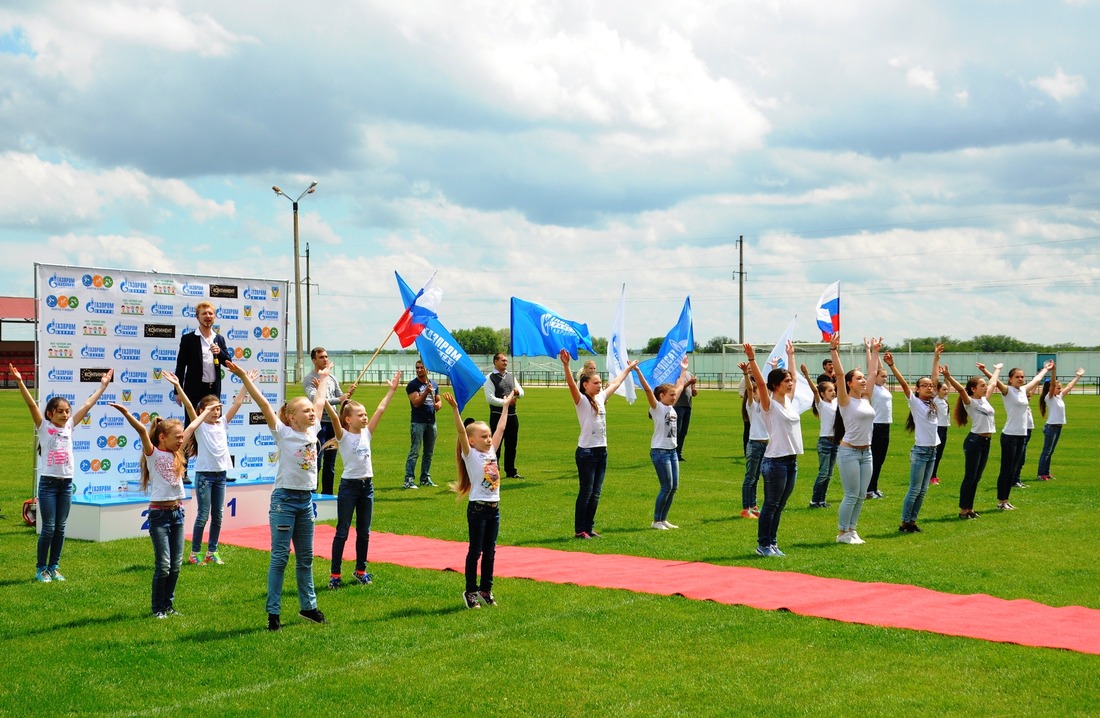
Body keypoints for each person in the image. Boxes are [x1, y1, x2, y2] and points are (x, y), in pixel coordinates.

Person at [226, 359, 330, 631]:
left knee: (306, 558)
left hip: (305, 502)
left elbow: (319, 401)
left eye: (311, 411)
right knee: (280, 557)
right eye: (304, 411)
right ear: (291, 416)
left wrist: (325, 377)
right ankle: (273, 614)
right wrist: (243, 378)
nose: (311, 414)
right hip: (284, 501)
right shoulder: (283, 432)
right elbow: (262, 403)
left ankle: (309, 607)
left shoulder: (314, 429)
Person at [12, 364, 113, 582]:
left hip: (66, 484)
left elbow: (88, 404)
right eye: (60, 411)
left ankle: (54, 566)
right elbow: (31, 405)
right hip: (48, 484)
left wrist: (103, 386)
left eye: (67, 411)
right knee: (48, 527)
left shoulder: (69, 426)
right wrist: (20, 382)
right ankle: (41, 569)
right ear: (50, 414)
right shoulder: (44, 427)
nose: (65, 415)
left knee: (61, 528)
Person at [111, 401, 211, 617]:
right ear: (162, 437)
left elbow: (192, 426)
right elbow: (140, 429)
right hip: (159, 516)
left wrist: (208, 412)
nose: (181, 441)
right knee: (163, 565)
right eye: (177, 438)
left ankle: (168, 605)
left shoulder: (178, 453)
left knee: (176, 565)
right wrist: (126, 412)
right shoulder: (153, 453)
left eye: (182, 439)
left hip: (178, 514)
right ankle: (158, 609)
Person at [163, 368, 253, 566]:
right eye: (212, 409)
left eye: (218, 409)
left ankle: (212, 551)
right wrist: (178, 385)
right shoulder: (200, 425)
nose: (216, 412)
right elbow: (188, 405)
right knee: (203, 515)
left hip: (221, 475)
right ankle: (195, 552)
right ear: (202, 411)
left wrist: (246, 382)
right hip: (205, 476)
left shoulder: (222, 423)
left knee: (218, 515)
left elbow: (238, 403)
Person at [324, 371, 402, 590]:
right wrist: (323, 390)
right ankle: (335, 574)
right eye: (360, 415)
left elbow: (381, 409)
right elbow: (332, 414)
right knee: (342, 531)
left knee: (364, 531)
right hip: (349, 487)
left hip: (367, 487)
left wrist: (392, 390)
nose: (365, 417)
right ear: (348, 419)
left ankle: (360, 570)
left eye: (365, 414)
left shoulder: (367, 433)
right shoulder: (343, 435)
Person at [444, 390, 515, 608]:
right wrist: (456, 410)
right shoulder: (471, 454)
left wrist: (506, 406)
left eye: (488, 435)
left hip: (494, 509)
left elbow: (501, 427)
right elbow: (460, 431)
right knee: (475, 551)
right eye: (483, 436)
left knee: (490, 552)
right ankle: (471, 591)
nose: (488, 439)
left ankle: (486, 589)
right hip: (478, 510)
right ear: (471, 441)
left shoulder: (491, 451)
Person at [560, 348, 638, 539]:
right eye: (595, 383)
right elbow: (571, 384)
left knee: (596, 493)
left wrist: (628, 370)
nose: (599, 385)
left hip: (601, 451)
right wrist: (566, 365)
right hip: (586, 452)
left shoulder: (601, 397)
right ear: (585, 385)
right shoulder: (581, 401)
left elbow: (617, 382)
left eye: (600, 382)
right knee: (586, 492)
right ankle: (580, 530)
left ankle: (589, 528)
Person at [743, 340, 808, 557]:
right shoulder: (769, 404)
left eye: (790, 380)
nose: (790, 383)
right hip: (775, 462)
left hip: (791, 461)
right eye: (786, 381)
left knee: (779, 506)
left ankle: (773, 544)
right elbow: (761, 385)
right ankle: (763, 545)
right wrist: (752, 360)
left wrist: (791, 355)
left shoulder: (789, 401)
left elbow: (796, 377)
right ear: (775, 385)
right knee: (771, 505)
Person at [884, 344, 943, 533]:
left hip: (933, 450)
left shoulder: (933, 402)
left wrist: (936, 358)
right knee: (915, 489)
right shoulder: (916, 403)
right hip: (921, 452)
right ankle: (904, 522)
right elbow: (902, 384)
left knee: (923, 490)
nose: (928, 387)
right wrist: (892, 366)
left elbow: (935, 378)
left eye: (930, 386)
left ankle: (912, 522)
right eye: (924, 386)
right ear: (917, 389)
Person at [830, 335, 880, 544]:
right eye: (857, 378)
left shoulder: (866, 398)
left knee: (861, 495)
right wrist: (833, 350)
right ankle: (842, 533)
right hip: (849, 452)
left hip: (866, 452)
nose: (862, 381)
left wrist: (875, 351)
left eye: (862, 378)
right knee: (851, 494)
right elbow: (840, 375)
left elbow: (873, 372)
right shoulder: (845, 400)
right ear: (850, 383)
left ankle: (852, 530)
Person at [634, 357, 690, 530]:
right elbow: (647, 390)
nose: (675, 397)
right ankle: (656, 521)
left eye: (675, 395)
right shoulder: (657, 407)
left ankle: (663, 519)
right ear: (662, 396)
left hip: (672, 451)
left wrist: (683, 369)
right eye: (671, 395)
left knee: (674, 487)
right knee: (666, 486)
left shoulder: (671, 407)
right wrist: (638, 372)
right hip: (660, 451)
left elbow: (680, 384)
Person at [942, 362, 1002, 519]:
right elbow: (961, 389)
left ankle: (970, 509)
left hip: (986, 443)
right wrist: (947, 376)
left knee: (977, 477)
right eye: (981, 385)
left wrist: (996, 370)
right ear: (973, 389)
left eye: (984, 385)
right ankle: (963, 510)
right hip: (975, 441)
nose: (985, 387)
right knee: (970, 476)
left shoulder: (984, 400)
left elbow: (993, 382)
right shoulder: (970, 402)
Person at [992, 360, 1053, 510]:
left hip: (1021, 435)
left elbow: (1037, 380)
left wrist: (1046, 369)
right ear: (1010, 379)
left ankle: (1006, 501)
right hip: (1009, 435)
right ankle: (1001, 501)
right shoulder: (1008, 391)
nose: (1020, 379)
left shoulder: (1023, 390)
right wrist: (994, 370)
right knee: (1006, 470)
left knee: (1013, 469)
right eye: (1017, 377)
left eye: (1022, 376)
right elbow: (996, 382)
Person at [304, 347, 354, 496]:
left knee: (330, 464)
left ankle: (327, 494)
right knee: (316, 461)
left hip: (333, 424)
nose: (325, 359)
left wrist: (347, 396)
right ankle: (311, 492)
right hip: (319, 425)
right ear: (314, 360)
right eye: (321, 357)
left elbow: (340, 396)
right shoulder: (310, 379)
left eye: (326, 356)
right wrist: (340, 399)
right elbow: (316, 399)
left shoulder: (332, 378)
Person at [174, 301, 229, 411]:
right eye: (204, 314)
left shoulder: (219, 339)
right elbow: (180, 367)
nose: (208, 316)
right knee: (193, 423)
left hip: (214, 390)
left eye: (210, 313)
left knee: (214, 423)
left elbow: (228, 362)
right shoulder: (188, 339)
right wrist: (177, 392)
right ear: (197, 317)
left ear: (214, 317)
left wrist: (220, 352)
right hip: (194, 390)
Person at [1037, 365, 1085, 481]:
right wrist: (1053, 371)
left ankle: (1046, 473)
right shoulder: (1050, 398)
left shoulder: (1059, 397)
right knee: (1046, 451)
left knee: (1050, 451)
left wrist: (1077, 377)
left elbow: (1069, 386)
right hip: (1051, 427)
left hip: (1058, 427)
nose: (1060, 389)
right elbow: (1053, 385)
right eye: (1058, 388)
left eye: (1060, 388)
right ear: (1051, 389)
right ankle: (1040, 474)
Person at [800, 363, 838, 509]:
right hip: (825, 442)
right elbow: (814, 390)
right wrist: (807, 375)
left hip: (836, 442)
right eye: (830, 391)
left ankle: (822, 500)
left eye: (833, 390)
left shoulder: (836, 403)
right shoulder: (821, 404)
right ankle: (815, 500)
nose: (833, 392)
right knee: (823, 473)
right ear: (822, 394)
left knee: (829, 474)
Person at [484, 353, 525, 478]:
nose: (505, 362)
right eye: (503, 360)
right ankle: (494, 471)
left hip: (512, 416)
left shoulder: (511, 376)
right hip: (498, 415)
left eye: (506, 360)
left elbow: (522, 392)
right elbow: (490, 398)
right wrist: (506, 403)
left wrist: (518, 393)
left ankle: (511, 471)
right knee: (496, 445)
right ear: (495, 361)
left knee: (512, 445)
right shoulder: (490, 378)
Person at [404, 359, 439, 489]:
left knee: (429, 452)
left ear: (427, 369)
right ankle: (408, 479)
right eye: (417, 368)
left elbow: (438, 401)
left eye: (421, 368)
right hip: (418, 422)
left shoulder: (434, 384)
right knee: (415, 451)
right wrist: (425, 392)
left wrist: (438, 405)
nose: (419, 370)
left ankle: (425, 477)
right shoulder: (412, 385)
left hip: (431, 421)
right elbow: (416, 403)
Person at [738, 362, 766, 519]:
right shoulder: (752, 406)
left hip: (765, 445)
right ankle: (745, 509)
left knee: (756, 478)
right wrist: (746, 374)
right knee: (750, 477)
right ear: (754, 395)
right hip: (755, 445)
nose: (763, 393)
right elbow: (749, 388)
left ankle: (753, 508)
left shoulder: (767, 407)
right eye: (759, 391)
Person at [867, 360, 893, 500]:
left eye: (886, 376)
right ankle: (868, 489)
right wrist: (870, 350)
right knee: (874, 459)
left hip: (886, 425)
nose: (885, 378)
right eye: (882, 376)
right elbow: (871, 369)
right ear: (875, 377)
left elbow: (879, 368)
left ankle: (874, 487)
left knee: (880, 460)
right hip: (876, 426)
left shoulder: (883, 389)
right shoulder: (873, 389)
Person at [929, 379, 952, 486]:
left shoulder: (944, 400)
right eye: (943, 389)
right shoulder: (935, 400)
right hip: (937, 429)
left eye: (947, 389)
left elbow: (949, 385)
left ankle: (933, 475)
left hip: (944, 429)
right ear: (937, 390)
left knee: (939, 455)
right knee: (935, 454)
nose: (946, 391)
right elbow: (934, 381)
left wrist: (947, 376)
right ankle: (931, 476)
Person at [673, 366, 698, 461]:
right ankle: (673, 453)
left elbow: (693, 392)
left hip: (688, 406)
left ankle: (678, 454)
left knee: (683, 432)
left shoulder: (689, 374)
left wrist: (694, 390)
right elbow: (677, 389)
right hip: (678, 406)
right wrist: (689, 382)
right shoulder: (676, 374)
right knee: (677, 431)